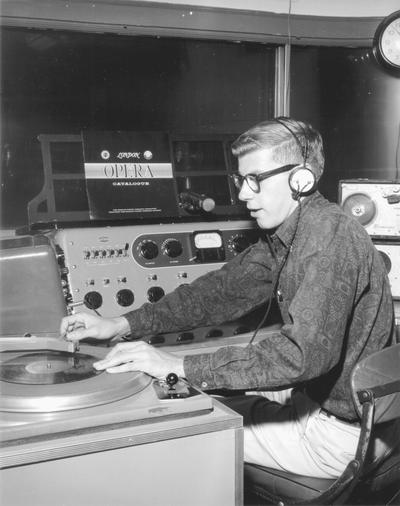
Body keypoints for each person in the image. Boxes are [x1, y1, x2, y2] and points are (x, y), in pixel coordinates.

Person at [61, 117, 395, 479]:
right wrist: (122, 324)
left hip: (340, 435)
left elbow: (301, 357)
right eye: (241, 180)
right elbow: (220, 292)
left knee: (170, 431)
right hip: (324, 403)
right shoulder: (294, 231)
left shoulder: (328, 240)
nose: (242, 195)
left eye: (255, 180)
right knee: (200, 400)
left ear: (301, 179)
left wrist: (178, 366)